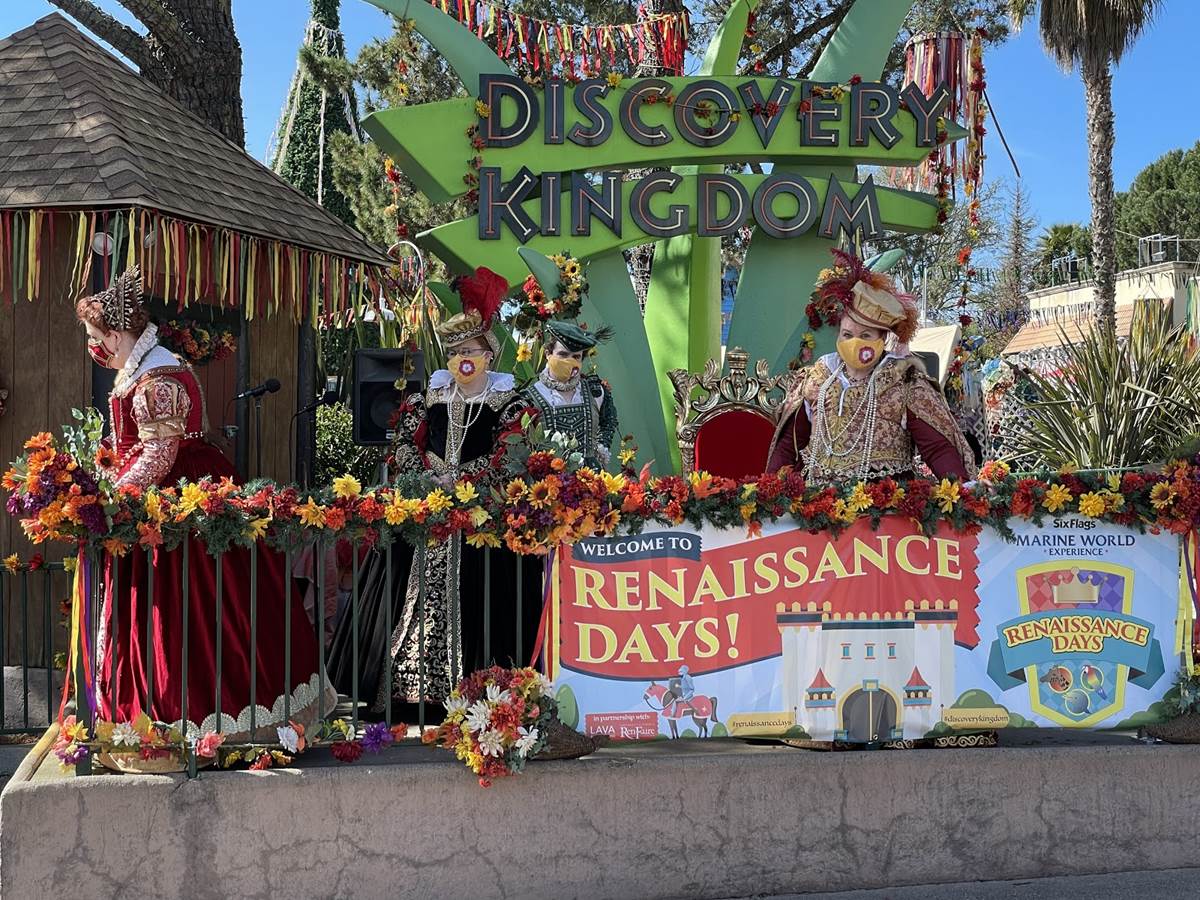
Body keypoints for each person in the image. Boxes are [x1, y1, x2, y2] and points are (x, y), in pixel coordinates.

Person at [78, 267, 333, 744]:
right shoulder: (148, 366)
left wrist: (110, 499)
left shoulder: (157, 379)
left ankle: (198, 721)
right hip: (171, 489)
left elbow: (159, 455)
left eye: (96, 338)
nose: (95, 348)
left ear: (115, 334)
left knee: (196, 608)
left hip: (181, 500)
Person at [366, 267, 539, 713]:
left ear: (489, 355)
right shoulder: (429, 397)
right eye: (457, 351)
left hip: (482, 522)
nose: (464, 358)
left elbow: (509, 454)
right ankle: (411, 695)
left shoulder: (509, 401)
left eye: (471, 350)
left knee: (481, 604)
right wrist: (427, 475)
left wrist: (463, 480)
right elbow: (404, 444)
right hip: (429, 512)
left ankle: (479, 695)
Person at [767, 250, 974, 482]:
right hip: (819, 498)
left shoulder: (905, 382)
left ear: (882, 338)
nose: (854, 343)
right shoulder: (817, 379)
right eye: (847, 335)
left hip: (885, 500)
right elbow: (788, 445)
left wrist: (964, 489)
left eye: (865, 335)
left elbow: (937, 448)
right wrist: (770, 488)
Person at [508, 320, 618, 469]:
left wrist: (600, 448)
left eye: (576, 357)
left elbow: (609, 422)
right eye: (563, 354)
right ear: (548, 354)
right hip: (547, 481)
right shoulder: (528, 397)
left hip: (591, 479)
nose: (569, 361)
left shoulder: (596, 391)